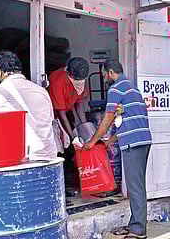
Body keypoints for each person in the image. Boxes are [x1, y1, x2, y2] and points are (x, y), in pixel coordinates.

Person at [82, 59, 152, 239]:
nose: (105, 78)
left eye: (105, 75)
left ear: (111, 73)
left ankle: (138, 230)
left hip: (133, 143)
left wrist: (92, 142)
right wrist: (110, 141)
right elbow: (125, 120)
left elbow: (108, 119)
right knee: (137, 184)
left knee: (135, 187)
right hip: (142, 140)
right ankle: (134, 224)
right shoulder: (132, 88)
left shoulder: (115, 89)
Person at [0, 50, 57, 159]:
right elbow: (51, 121)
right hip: (47, 156)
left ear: (0, 71)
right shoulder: (41, 91)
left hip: (14, 160)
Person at [48, 57, 89, 195]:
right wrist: (73, 137)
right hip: (54, 117)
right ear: (69, 74)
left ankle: (71, 182)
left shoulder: (80, 79)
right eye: (77, 79)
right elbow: (61, 114)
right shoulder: (57, 81)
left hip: (67, 112)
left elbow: (79, 104)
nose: (80, 82)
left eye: (82, 79)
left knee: (71, 149)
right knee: (60, 151)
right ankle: (61, 189)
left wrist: (84, 128)